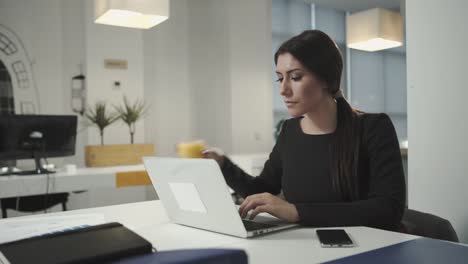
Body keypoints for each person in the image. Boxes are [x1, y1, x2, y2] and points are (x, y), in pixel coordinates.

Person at [203, 30, 406, 231]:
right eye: (279, 78)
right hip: (307, 249)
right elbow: (261, 191)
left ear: (326, 79)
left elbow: (388, 209)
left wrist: (296, 212)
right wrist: (222, 164)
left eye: (296, 77)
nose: (283, 89)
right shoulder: (290, 131)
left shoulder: (374, 128)